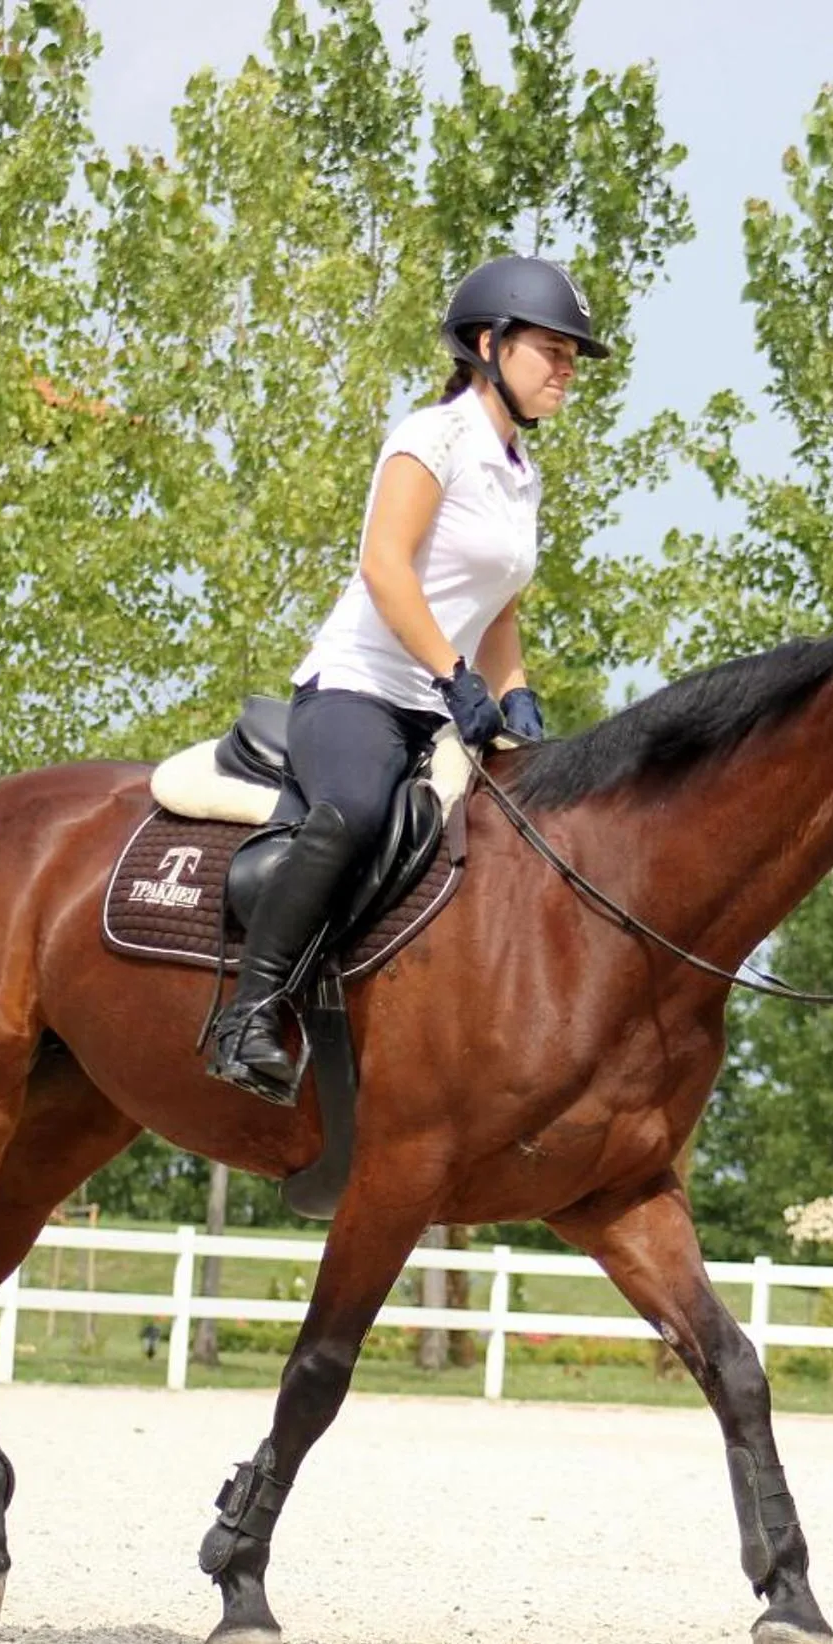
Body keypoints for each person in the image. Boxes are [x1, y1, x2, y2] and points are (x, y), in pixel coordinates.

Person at [205, 255, 608, 1102]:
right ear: (489, 343)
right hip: (358, 690)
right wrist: (453, 676)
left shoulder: (520, 475)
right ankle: (247, 1013)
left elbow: (498, 611)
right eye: (554, 349)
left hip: (441, 705)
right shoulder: (433, 438)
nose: (569, 368)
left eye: (575, 355)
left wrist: (516, 700)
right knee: (353, 812)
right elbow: (386, 568)